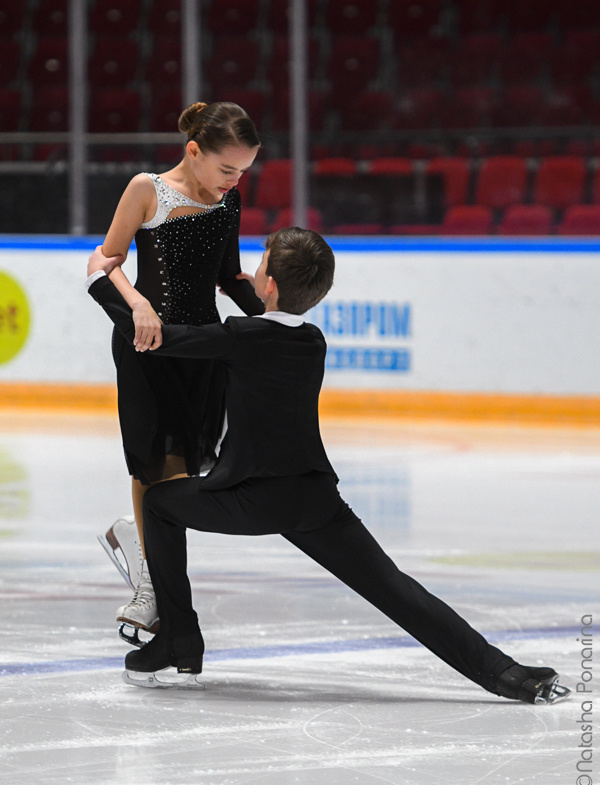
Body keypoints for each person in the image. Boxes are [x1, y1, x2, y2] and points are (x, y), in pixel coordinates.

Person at [86, 229, 570, 704]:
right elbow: (270, 324)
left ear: (271, 284)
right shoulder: (312, 341)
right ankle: (504, 673)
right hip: (317, 501)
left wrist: (99, 284)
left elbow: (153, 339)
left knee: (161, 504)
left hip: (253, 501)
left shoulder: (239, 337)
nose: (255, 269)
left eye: (262, 263)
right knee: (394, 588)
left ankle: (178, 640)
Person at [95, 101, 264, 645]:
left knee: (184, 470)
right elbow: (105, 261)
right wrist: (138, 304)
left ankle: (138, 549)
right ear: (194, 152)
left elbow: (227, 275)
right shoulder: (147, 189)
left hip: (203, 351)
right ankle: (155, 595)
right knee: (154, 466)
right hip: (147, 347)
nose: (234, 182)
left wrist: (268, 312)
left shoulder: (228, 200)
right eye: (227, 170)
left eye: (242, 172)